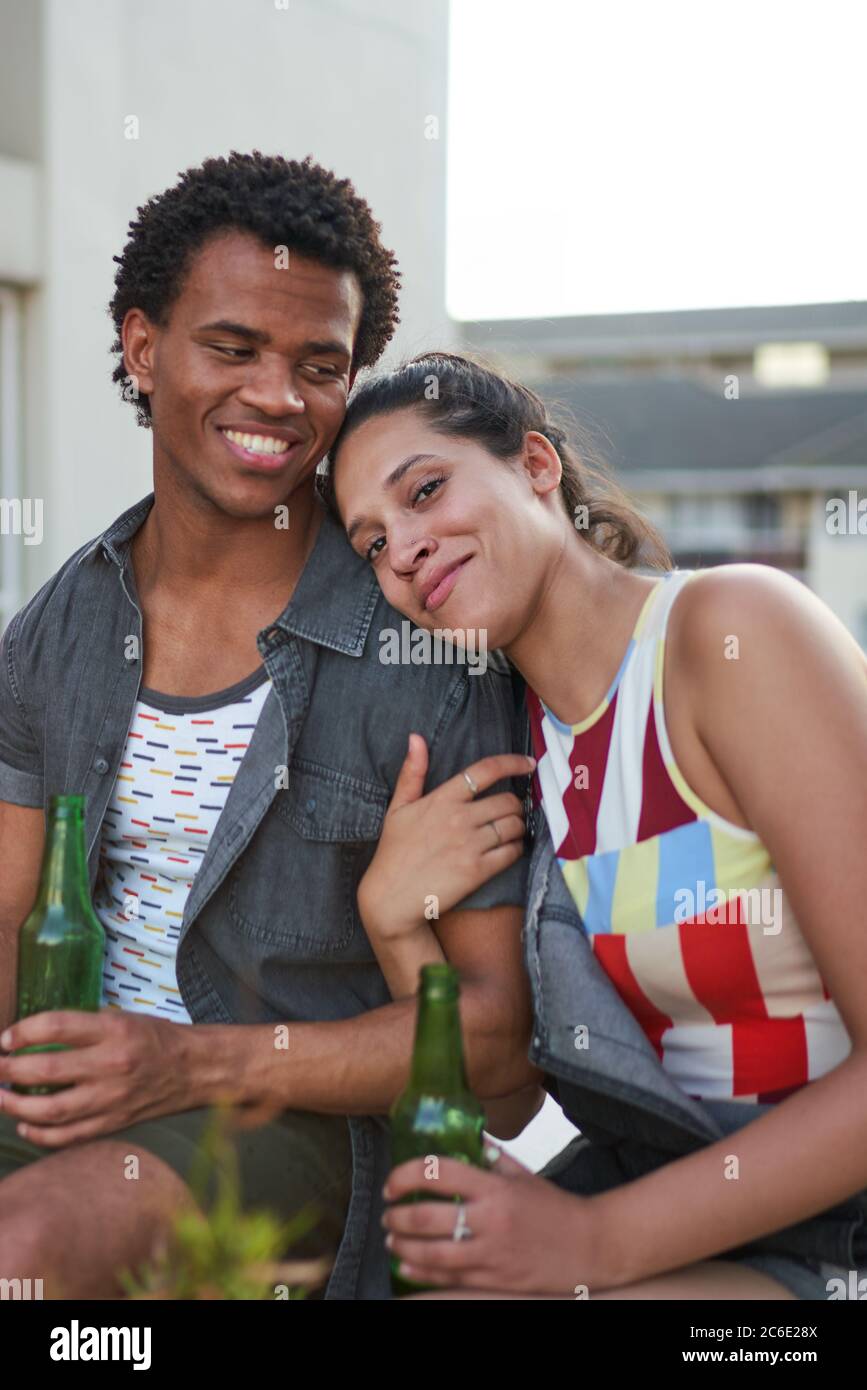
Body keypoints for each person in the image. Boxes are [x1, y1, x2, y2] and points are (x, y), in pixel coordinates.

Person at [0, 158, 540, 1301]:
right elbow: (9, 916)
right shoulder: (59, 626)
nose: (278, 398)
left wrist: (177, 1064)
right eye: (233, 348)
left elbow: (494, 1045)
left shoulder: (424, 646)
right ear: (144, 348)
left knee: (27, 1257)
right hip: (74, 1097)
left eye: (320, 365)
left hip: (294, 1126)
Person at [326, 349, 867, 1300]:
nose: (402, 550)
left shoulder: (728, 634)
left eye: (425, 491)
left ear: (537, 466)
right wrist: (396, 922)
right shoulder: (516, 749)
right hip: (688, 1230)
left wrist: (592, 1244)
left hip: (834, 1248)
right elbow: (510, 1100)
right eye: (371, 543)